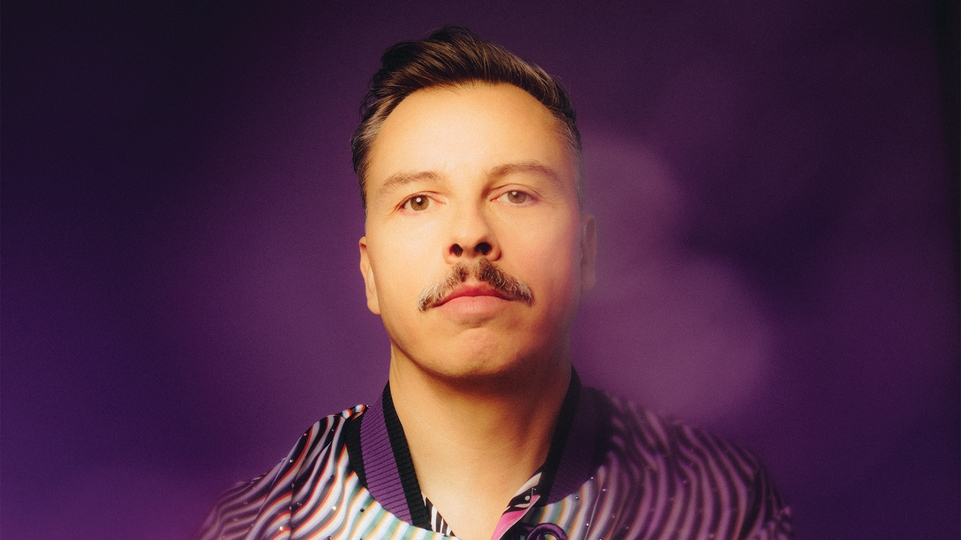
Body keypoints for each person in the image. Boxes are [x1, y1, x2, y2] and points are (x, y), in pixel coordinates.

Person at [195, 26, 793, 540]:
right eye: (420, 200)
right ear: (368, 269)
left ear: (587, 253)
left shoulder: (719, 505)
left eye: (515, 194)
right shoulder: (264, 524)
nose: (470, 234)